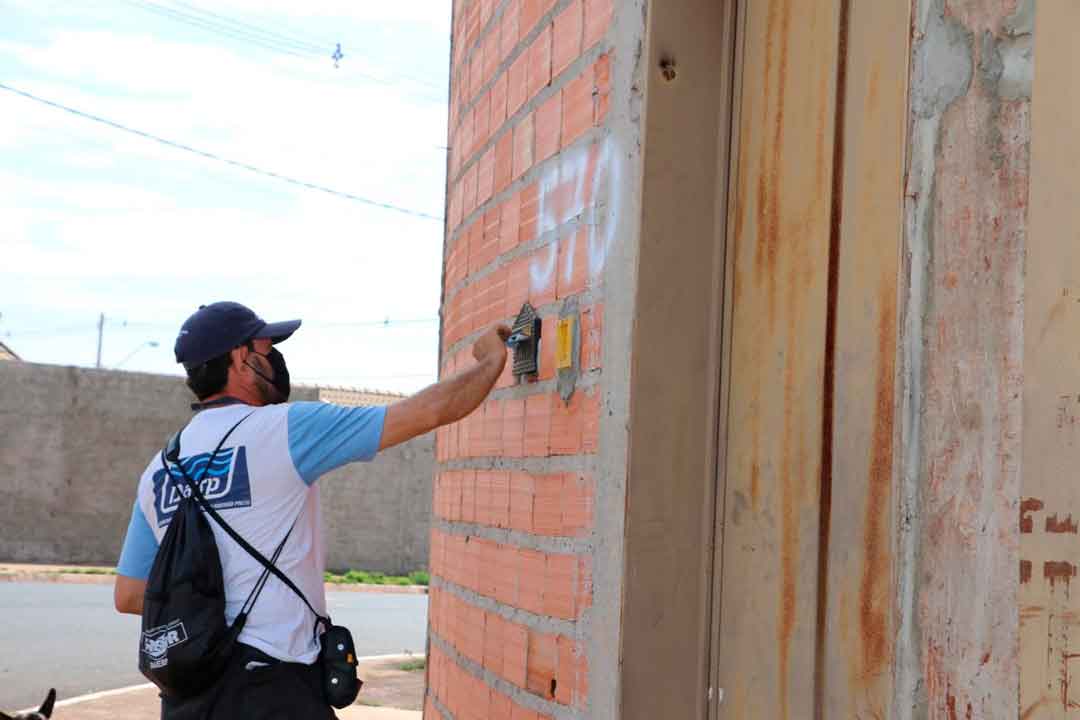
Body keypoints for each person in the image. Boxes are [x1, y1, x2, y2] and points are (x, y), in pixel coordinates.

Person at [113, 301, 509, 718]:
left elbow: (131, 594)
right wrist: (489, 361)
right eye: (268, 350)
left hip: (189, 695)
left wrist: (213, 601)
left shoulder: (160, 469)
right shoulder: (286, 428)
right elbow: (430, 410)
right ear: (240, 359)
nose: (277, 361)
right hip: (274, 690)